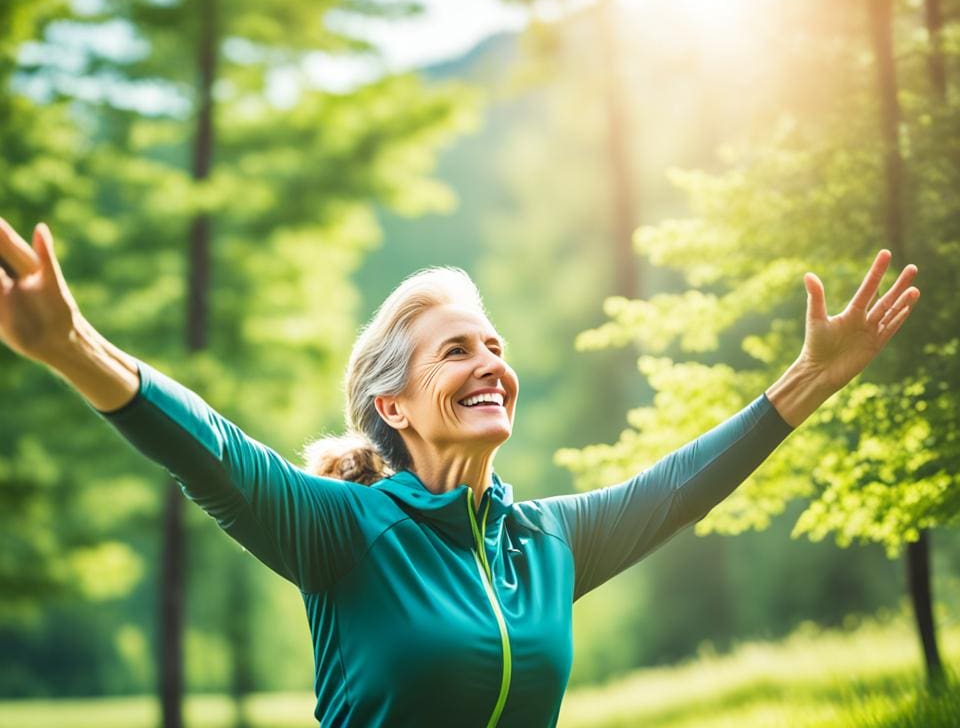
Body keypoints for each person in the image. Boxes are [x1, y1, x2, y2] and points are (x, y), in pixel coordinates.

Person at [0, 217, 920, 727]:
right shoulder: (345, 535)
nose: (489, 363)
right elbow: (213, 449)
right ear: (392, 407)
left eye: (494, 345)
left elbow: (680, 485)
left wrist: (812, 379)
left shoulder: (548, 542)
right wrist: (73, 346)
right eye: (454, 352)